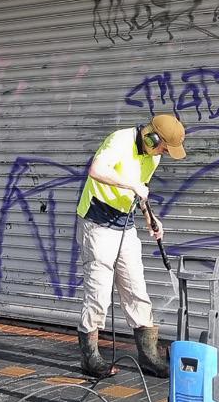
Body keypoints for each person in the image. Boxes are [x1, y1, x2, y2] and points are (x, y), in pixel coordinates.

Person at [75, 113, 187, 379]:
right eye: (164, 148)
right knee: (98, 292)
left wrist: (150, 218)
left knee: (136, 288)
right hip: (97, 223)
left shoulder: (153, 157)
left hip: (124, 225)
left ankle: (149, 356)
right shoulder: (119, 140)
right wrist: (132, 184)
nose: (164, 154)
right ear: (152, 138)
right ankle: (90, 357)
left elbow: (141, 190)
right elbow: (96, 170)